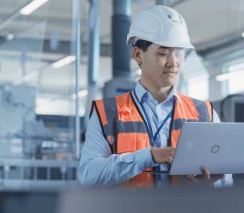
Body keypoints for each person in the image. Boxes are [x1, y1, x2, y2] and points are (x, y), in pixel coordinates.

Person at [78, 5, 233, 188]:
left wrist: (208, 184)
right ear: (138, 55)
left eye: (179, 52)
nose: (173, 62)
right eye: (163, 53)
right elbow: (88, 175)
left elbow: (226, 182)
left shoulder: (204, 113)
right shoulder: (108, 113)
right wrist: (149, 156)